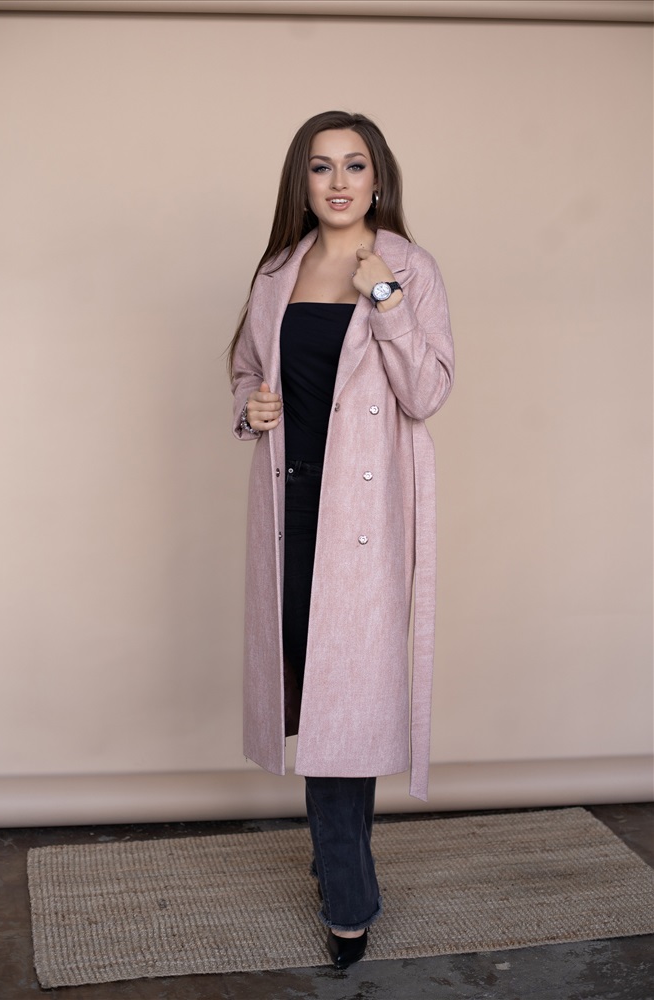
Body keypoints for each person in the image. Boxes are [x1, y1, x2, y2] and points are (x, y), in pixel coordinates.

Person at [228, 110, 454, 969]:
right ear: (302, 181)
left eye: (354, 165)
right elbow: (246, 369)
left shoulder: (407, 267)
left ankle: (348, 899)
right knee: (316, 696)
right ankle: (338, 865)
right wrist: (249, 407)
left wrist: (384, 296)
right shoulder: (277, 270)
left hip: (362, 519)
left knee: (340, 702)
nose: (337, 182)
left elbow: (426, 391)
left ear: (377, 177)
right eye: (320, 166)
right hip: (289, 505)